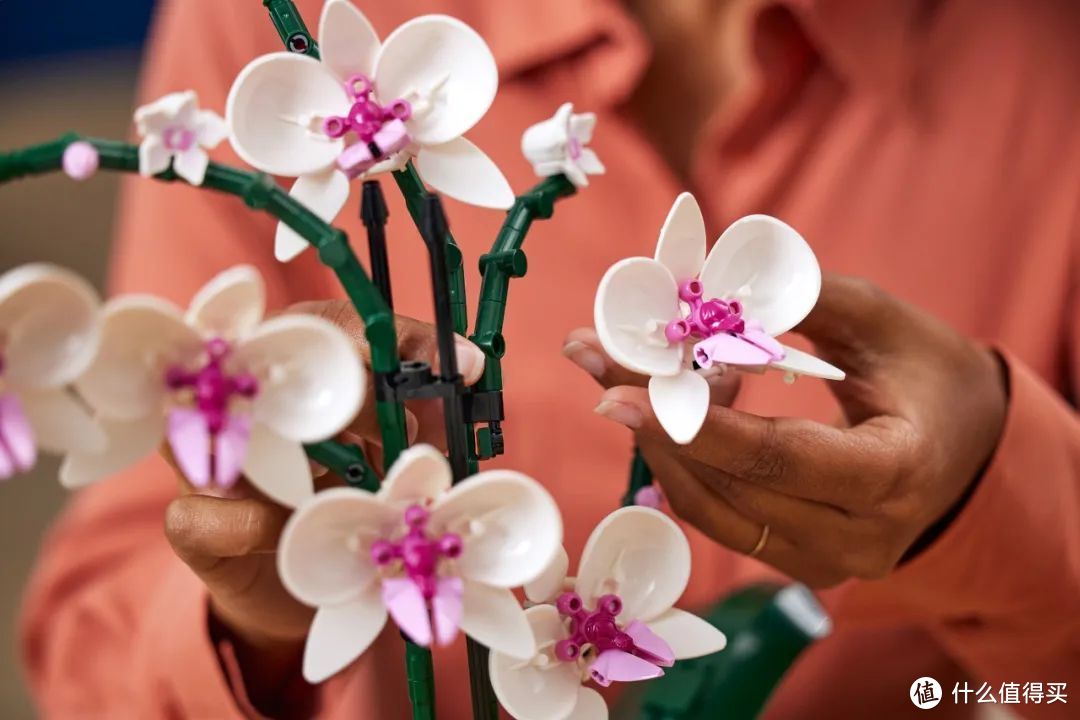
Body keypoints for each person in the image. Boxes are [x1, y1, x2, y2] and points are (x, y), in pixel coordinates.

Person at [20, 0, 1080, 717]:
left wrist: (998, 511)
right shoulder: (256, 33)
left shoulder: (1045, 66)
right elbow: (90, 649)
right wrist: (263, 611)